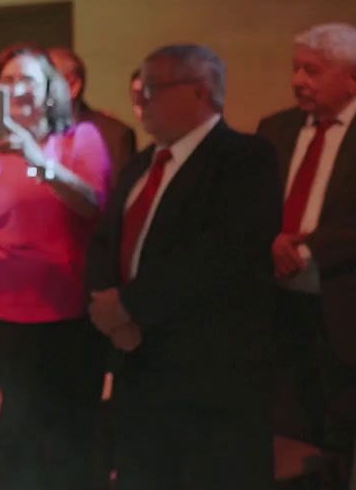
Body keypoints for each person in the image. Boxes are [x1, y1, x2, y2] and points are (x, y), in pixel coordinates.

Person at [86, 44, 281, 490]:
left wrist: (130, 307)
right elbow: (103, 242)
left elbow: (221, 253)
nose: (140, 103)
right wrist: (105, 305)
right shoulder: (140, 164)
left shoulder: (245, 158)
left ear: (201, 91)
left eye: (152, 89)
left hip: (209, 373)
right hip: (139, 364)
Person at [0, 47, 110, 490]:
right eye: (7, 80)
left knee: (75, 428)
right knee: (21, 426)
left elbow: (94, 205)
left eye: (27, 79)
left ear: (52, 91)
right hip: (8, 310)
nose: (16, 89)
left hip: (72, 308)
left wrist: (37, 158)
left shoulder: (79, 139)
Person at [257, 22, 356, 488]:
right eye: (296, 69)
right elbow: (252, 206)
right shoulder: (276, 128)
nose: (298, 80)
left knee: (344, 433)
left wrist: (310, 247)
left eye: (312, 71)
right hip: (281, 307)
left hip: (343, 305)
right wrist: (270, 240)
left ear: (351, 78)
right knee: (292, 432)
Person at [48, 46, 137, 178]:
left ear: (72, 86)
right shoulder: (23, 133)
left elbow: (116, 196)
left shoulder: (111, 136)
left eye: (45, 81)